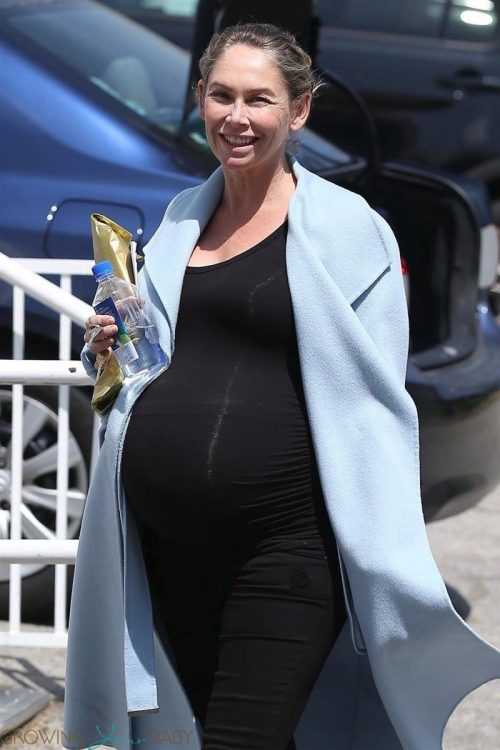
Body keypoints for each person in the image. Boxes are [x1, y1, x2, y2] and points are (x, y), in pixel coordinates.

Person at [71, 22, 500, 750]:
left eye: (259, 100)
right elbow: (148, 371)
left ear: (297, 111)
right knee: (205, 736)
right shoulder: (179, 220)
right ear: (201, 99)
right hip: (170, 553)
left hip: (285, 550)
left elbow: (374, 396)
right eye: (222, 95)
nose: (237, 117)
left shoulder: (350, 230)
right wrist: (106, 353)